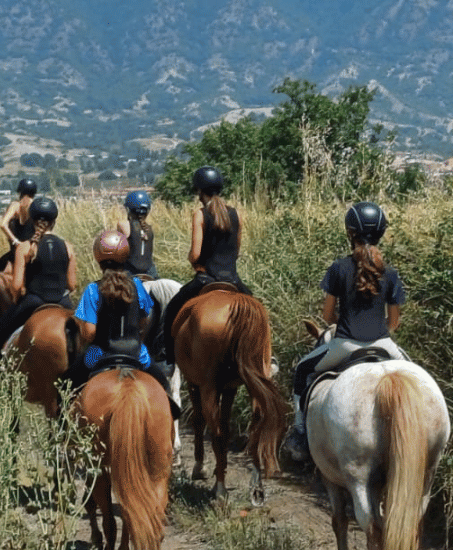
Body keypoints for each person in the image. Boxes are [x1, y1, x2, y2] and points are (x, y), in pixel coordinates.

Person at [282, 201, 408, 463]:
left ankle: (300, 432)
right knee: (416, 377)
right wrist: (378, 330)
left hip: (345, 346)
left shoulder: (338, 268)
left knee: (302, 371)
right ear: (382, 232)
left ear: (350, 232)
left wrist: (345, 323)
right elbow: (394, 322)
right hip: (384, 345)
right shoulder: (391, 273)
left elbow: (328, 316)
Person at [68, 230, 180, 414]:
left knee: (68, 383)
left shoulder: (92, 289)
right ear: (125, 256)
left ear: (98, 258)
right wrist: (137, 337)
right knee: (163, 384)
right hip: (136, 352)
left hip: (99, 353)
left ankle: (62, 420)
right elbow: (145, 319)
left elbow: (89, 333)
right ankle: (172, 412)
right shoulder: (137, 286)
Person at [161, 166, 251, 365]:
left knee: (172, 310)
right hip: (233, 280)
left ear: (199, 190)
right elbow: (236, 251)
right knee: (257, 311)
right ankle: (264, 357)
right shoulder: (236, 214)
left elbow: (195, 254)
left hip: (206, 279)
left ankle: (169, 357)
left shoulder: (200, 214)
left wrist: (195, 262)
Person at [0, 195, 77, 362]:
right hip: (63, 302)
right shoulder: (68, 247)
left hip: (33, 302)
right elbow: (72, 285)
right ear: (54, 221)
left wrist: (16, 298)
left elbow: (16, 286)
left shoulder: (24, 247)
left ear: (32, 221)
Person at [0, 177, 38, 272]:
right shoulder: (36, 207)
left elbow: (3, 224)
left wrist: (15, 241)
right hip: (31, 253)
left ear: (20, 192)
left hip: (14, 253)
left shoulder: (15, 205)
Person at [117, 189, 159, 279]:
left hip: (130, 274)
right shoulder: (149, 229)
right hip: (151, 273)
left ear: (128, 209)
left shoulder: (123, 225)